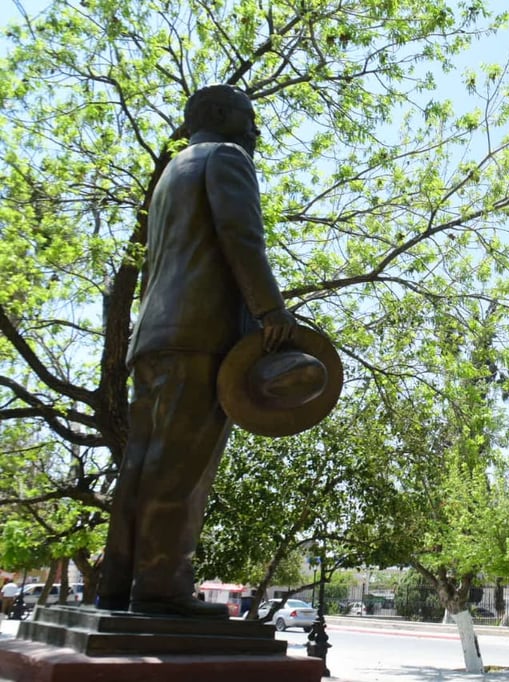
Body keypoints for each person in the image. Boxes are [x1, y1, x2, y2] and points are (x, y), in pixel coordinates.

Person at [97, 85, 296, 618]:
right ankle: (161, 589)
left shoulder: (171, 172)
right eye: (248, 118)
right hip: (201, 334)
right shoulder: (225, 157)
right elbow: (240, 235)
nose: (255, 131)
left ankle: (117, 586)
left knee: (140, 465)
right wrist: (271, 311)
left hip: (155, 337)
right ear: (218, 115)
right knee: (181, 469)